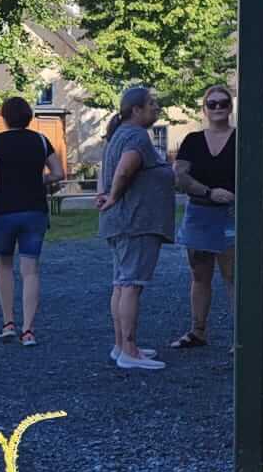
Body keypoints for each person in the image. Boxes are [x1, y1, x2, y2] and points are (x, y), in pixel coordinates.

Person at [96, 86, 175, 371]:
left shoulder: (118, 135)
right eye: (152, 104)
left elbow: (111, 171)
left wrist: (106, 194)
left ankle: (122, 346)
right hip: (135, 222)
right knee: (130, 285)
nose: (157, 108)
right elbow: (126, 168)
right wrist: (114, 195)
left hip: (121, 222)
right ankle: (129, 350)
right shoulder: (136, 136)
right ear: (136, 110)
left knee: (122, 283)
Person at [0, 96, 65, 345]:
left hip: (4, 211)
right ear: (28, 116)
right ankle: (28, 330)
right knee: (30, 270)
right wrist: (38, 181)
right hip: (34, 210)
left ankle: (8, 323)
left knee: (3, 266)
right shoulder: (40, 139)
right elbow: (58, 173)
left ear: (4, 117)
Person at [170, 85, 236, 349]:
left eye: (223, 103)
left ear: (230, 107)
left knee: (233, 276)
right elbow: (181, 176)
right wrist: (210, 192)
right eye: (212, 104)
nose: (218, 108)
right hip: (199, 214)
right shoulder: (193, 140)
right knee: (200, 275)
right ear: (204, 109)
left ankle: (240, 339)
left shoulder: (242, 138)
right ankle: (197, 331)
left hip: (232, 215)